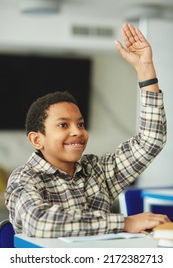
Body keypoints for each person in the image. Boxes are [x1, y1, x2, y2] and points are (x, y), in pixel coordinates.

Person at [5, 23, 170, 238]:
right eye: (63, 125)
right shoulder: (24, 178)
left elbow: (151, 140)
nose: (77, 132)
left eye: (81, 124)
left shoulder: (97, 171)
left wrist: (145, 70)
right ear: (37, 139)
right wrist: (124, 222)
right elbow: (41, 223)